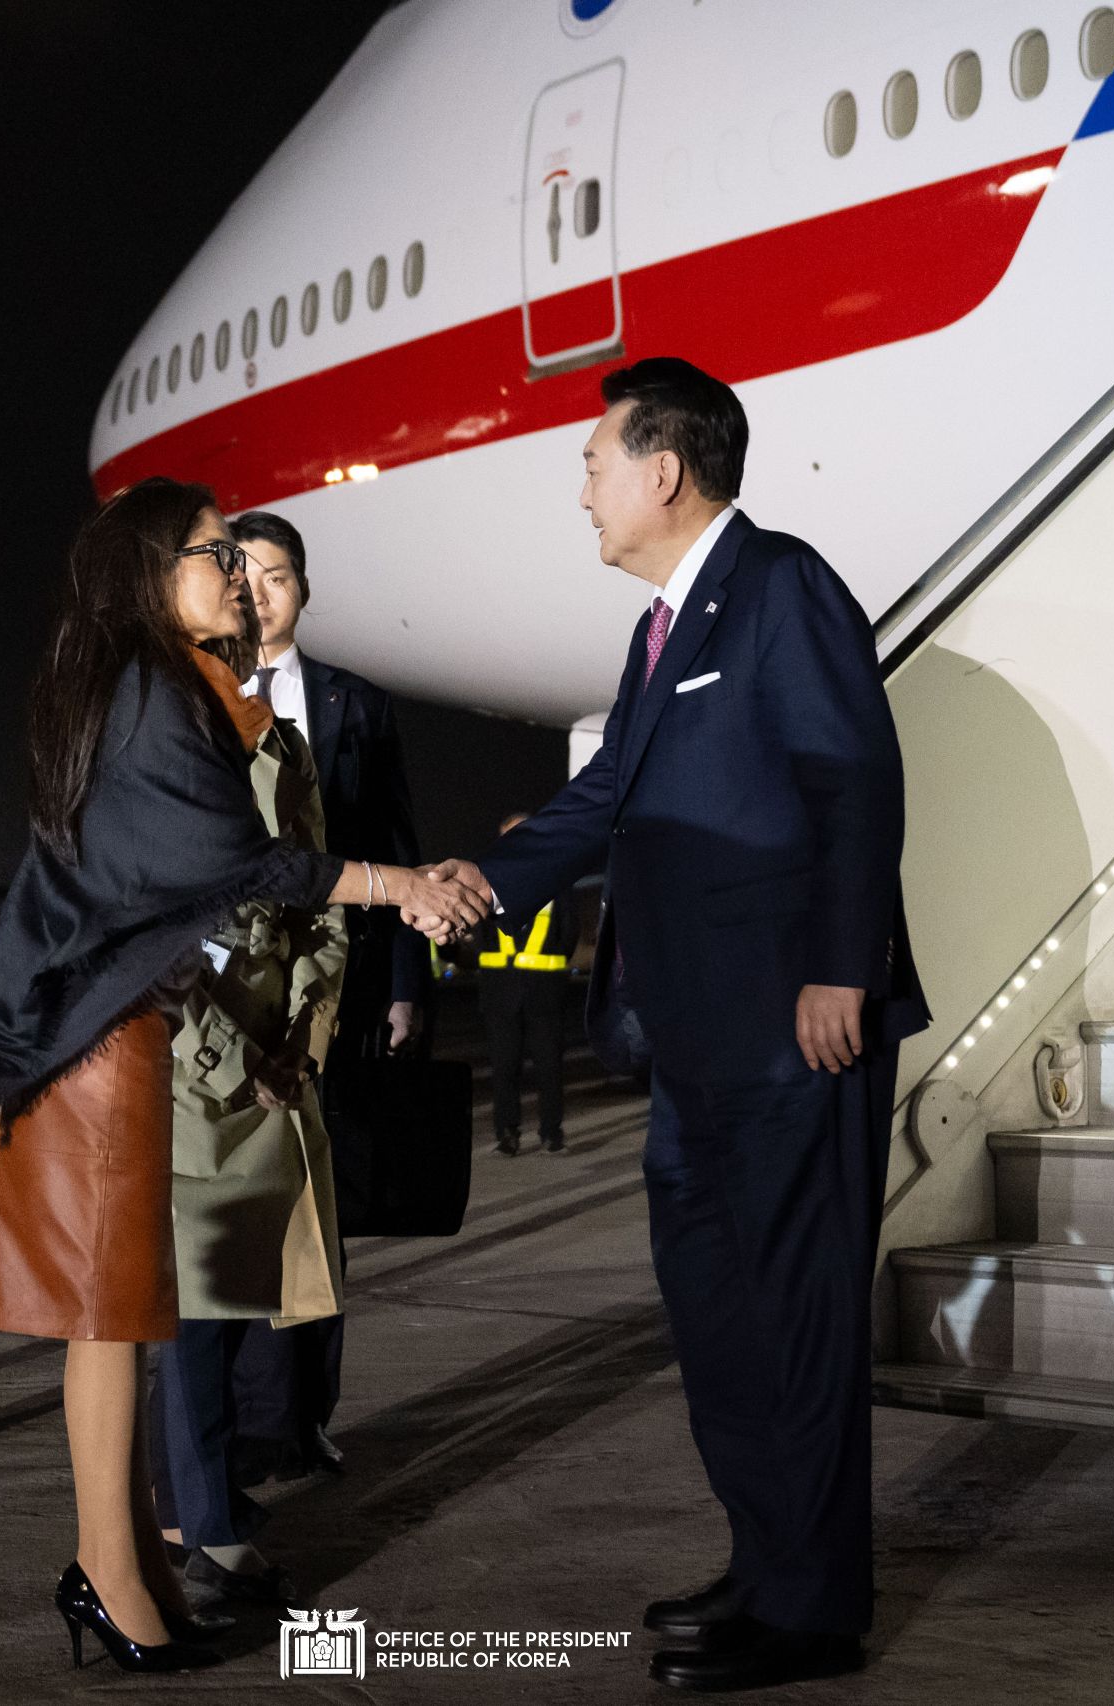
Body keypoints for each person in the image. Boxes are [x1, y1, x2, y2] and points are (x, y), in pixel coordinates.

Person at [431, 359, 928, 1693]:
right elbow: (601, 807)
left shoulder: (781, 588)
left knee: (797, 1318)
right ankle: (766, 1562)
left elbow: (855, 778)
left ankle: (814, 1610)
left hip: (790, 1030)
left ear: (663, 469)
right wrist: (470, 887)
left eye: (594, 459)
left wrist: (842, 967)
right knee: (719, 1323)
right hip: (690, 1049)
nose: (581, 485)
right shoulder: (663, 629)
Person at [0, 477, 488, 1675]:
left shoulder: (166, 685)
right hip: (96, 1039)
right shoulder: (149, 693)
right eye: (211, 554)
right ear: (151, 574)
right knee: (109, 1320)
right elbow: (236, 863)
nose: (235, 576)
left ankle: (129, 1566)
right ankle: (110, 1572)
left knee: (126, 1318)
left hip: (110, 1029)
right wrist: (399, 884)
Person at [224, 510, 426, 1479]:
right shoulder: (204, 696)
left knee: (320, 1211)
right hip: (231, 999)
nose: (259, 591)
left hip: (335, 996)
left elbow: (397, 842)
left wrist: (403, 984)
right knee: (241, 1210)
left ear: (303, 587)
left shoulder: (354, 704)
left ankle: (305, 1414)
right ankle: (243, 1417)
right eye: (243, 574)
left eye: (276, 574)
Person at [152, 681, 349, 1614]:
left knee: (240, 1301)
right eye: (230, 572)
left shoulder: (289, 747)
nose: (245, 596)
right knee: (195, 1306)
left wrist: (300, 1040)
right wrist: (234, 1057)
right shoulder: (153, 736)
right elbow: (150, 931)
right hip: (187, 1063)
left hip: (273, 1056)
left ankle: (197, 1502)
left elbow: (322, 897)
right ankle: (208, 1537)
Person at [477, 813, 578, 1156]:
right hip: (501, 992)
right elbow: (481, 936)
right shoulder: (486, 880)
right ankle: (508, 1132)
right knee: (505, 1068)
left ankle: (551, 1132)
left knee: (550, 1067)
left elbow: (569, 933)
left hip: (544, 992)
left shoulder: (557, 879)